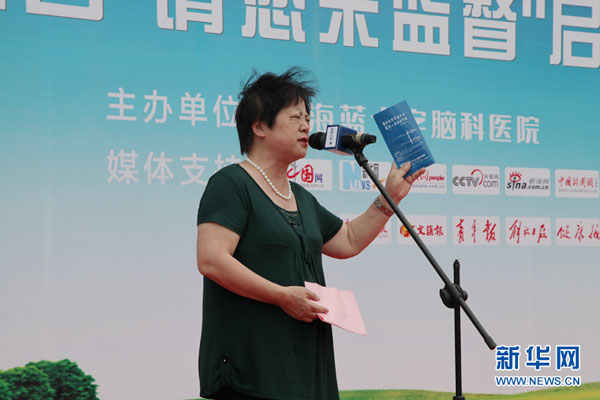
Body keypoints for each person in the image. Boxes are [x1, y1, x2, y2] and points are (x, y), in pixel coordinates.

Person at [196, 67, 425, 400]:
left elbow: (348, 240)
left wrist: (390, 197)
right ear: (259, 126)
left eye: (307, 117)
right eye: (295, 117)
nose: (306, 126)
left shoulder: (300, 196)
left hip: (304, 367)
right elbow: (211, 260)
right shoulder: (231, 184)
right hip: (252, 371)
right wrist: (281, 296)